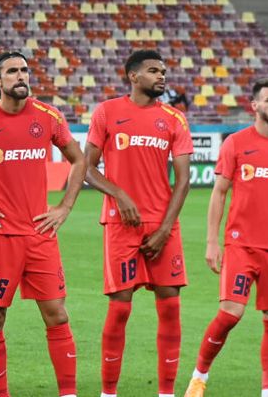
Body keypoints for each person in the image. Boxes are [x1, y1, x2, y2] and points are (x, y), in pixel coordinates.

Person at [0, 52, 103, 397]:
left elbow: (79, 159)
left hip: (40, 234)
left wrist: (65, 207)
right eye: (12, 71)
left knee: (57, 314)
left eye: (24, 70)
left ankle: (68, 394)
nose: (21, 76)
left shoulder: (47, 116)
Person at [184, 78, 268, 397]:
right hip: (240, 245)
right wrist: (212, 241)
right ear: (254, 105)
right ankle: (199, 376)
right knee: (230, 313)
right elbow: (219, 193)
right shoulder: (236, 143)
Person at [86, 49, 193, 397]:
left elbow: (183, 180)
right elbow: (85, 167)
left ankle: (166, 393)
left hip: (163, 225)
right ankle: (108, 393)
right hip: (121, 224)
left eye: (163, 70)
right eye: (153, 70)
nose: (162, 76)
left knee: (171, 307)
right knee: (119, 308)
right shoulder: (107, 112)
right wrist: (119, 194)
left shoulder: (174, 119)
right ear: (133, 76)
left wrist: (165, 228)